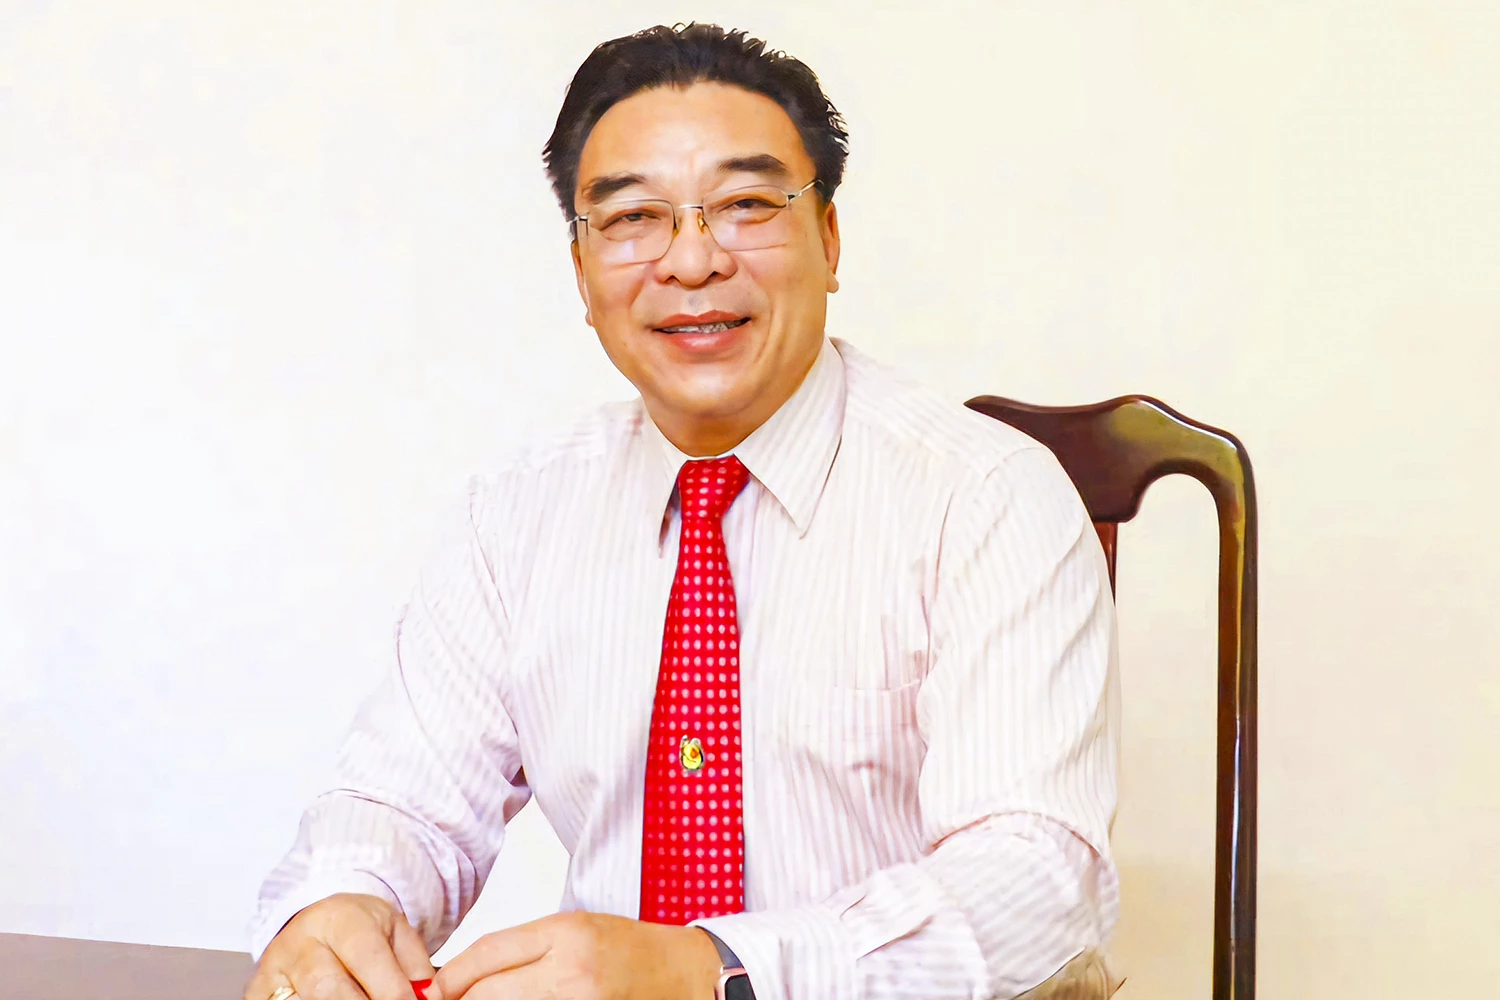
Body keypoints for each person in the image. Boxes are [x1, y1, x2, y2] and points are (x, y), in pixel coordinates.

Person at [244, 23, 1120, 1000]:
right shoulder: (516, 517)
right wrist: (340, 904)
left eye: (746, 205)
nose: (692, 261)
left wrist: (713, 969)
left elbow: (1037, 880)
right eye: (632, 218)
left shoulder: (986, 497)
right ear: (582, 273)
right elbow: (399, 801)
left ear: (829, 240)